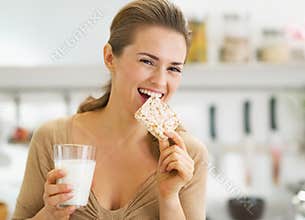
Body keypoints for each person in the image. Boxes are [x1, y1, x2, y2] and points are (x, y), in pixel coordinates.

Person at [12, 0, 208, 219]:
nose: (160, 81)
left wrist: (169, 197)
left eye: (173, 68)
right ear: (109, 57)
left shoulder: (189, 156)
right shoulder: (52, 139)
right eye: (147, 61)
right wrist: (50, 213)